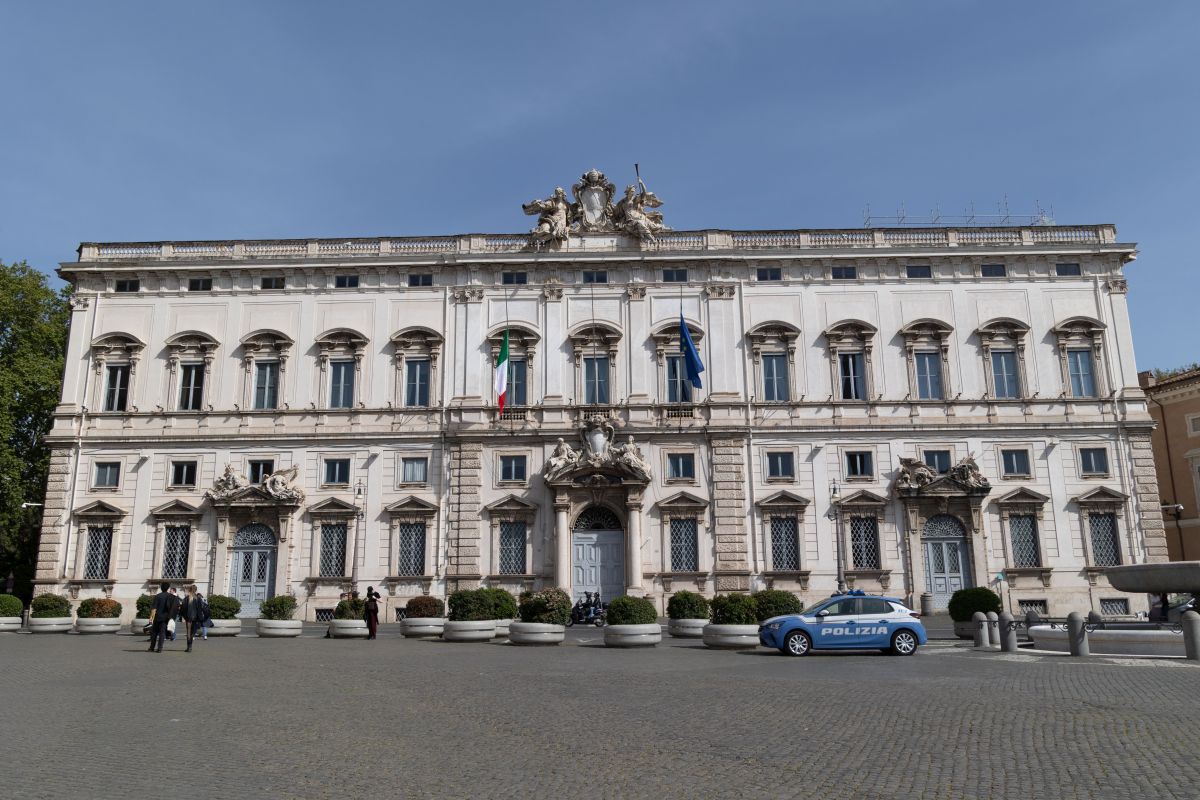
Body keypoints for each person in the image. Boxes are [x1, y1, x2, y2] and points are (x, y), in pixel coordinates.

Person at [148, 581, 180, 653]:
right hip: (166, 617)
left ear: (161, 588)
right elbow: (176, 607)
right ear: (168, 588)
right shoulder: (171, 596)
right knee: (162, 633)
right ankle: (160, 648)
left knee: (154, 633)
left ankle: (152, 647)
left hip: (157, 617)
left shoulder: (158, 596)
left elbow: (154, 608)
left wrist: (151, 618)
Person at [181, 584, 207, 652]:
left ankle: (188, 647)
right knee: (193, 632)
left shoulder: (186, 598)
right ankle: (190, 646)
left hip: (188, 617)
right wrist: (200, 618)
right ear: (196, 590)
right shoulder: (198, 599)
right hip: (195, 618)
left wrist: (183, 616)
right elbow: (200, 609)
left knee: (188, 632)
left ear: (189, 590)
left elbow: (183, 608)